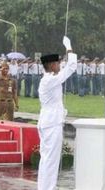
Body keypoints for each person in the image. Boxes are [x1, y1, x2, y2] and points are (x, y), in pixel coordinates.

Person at [37, 36, 77, 190]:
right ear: (52, 65)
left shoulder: (49, 79)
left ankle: (45, 187)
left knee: (47, 159)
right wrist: (69, 47)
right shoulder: (49, 80)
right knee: (50, 160)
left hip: (48, 122)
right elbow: (71, 67)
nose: (60, 65)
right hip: (51, 123)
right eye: (58, 63)